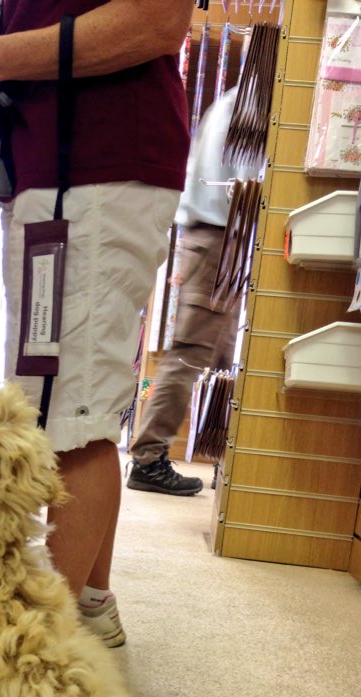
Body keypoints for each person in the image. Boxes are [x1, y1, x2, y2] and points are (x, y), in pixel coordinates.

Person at [0, 0, 194, 646]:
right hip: (58, 171)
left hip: (89, 167)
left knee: (67, 422)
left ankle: (33, 656)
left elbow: (158, 17)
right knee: (82, 408)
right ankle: (88, 606)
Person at [127, 85, 261, 496]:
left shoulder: (236, 99)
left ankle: (218, 458)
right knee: (190, 356)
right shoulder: (254, 105)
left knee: (217, 358)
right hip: (220, 239)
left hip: (214, 239)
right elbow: (247, 182)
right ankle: (148, 459)